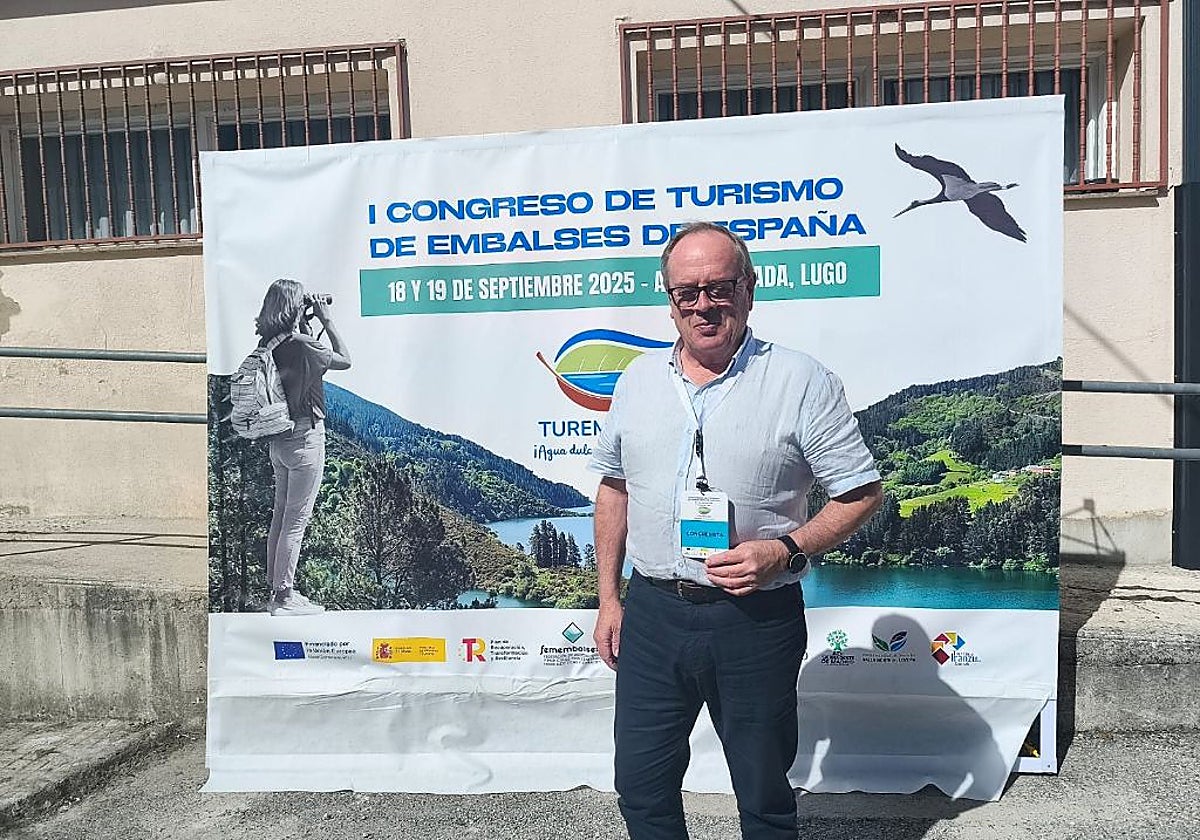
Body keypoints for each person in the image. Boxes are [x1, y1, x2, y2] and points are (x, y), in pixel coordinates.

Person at [588, 222, 883, 840]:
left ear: (749, 289)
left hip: (755, 620)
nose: (703, 305)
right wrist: (610, 599)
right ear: (668, 299)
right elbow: (613, 489)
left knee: (763, 793)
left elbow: (861, 494)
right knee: (641, 788)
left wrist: (785, 549)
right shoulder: (636, 381)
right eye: (686, 292)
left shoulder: (803, 382)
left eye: (719, 288)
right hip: (653, 614)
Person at [253, 278, 351, 617]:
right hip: (306, 440)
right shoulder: (303, 345)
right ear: (295, 308)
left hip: (278, 441)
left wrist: (303, 321)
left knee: (280, 519)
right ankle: (284, 598)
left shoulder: (271, 343)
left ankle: (276, 592)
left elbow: (302, 357)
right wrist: (326, 318)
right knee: (295, 523)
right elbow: (344, 359)